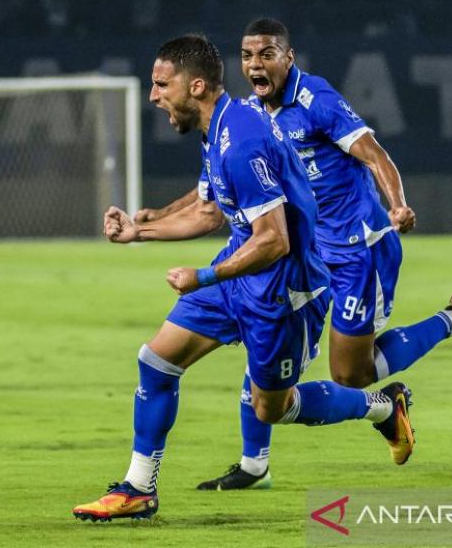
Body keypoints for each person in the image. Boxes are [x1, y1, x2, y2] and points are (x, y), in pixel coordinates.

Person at [135, 18, 452, 492]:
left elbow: (375, 155)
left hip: (357, 249)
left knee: (353, 373)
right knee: (263, 345)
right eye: (247, 56)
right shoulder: (248, 115)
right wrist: (153, 218)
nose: (255, 64)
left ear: (288, 57)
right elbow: (216, 192)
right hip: (305, 251)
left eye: (267, 54)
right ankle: (254, 465)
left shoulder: (317, 101)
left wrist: (398, 204)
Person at [73, 34, 415, 522]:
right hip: (242, 272)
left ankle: (381, 406)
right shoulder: (222, 128)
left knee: (271, 408)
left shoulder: (241, 143)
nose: (152, 95)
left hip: (283, 293)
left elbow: (275, 239)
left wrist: (204, 275)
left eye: (160, 84)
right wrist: (139, 231)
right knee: (156, 361)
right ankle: (137, 489)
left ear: (195, 86)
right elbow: (210, 213)